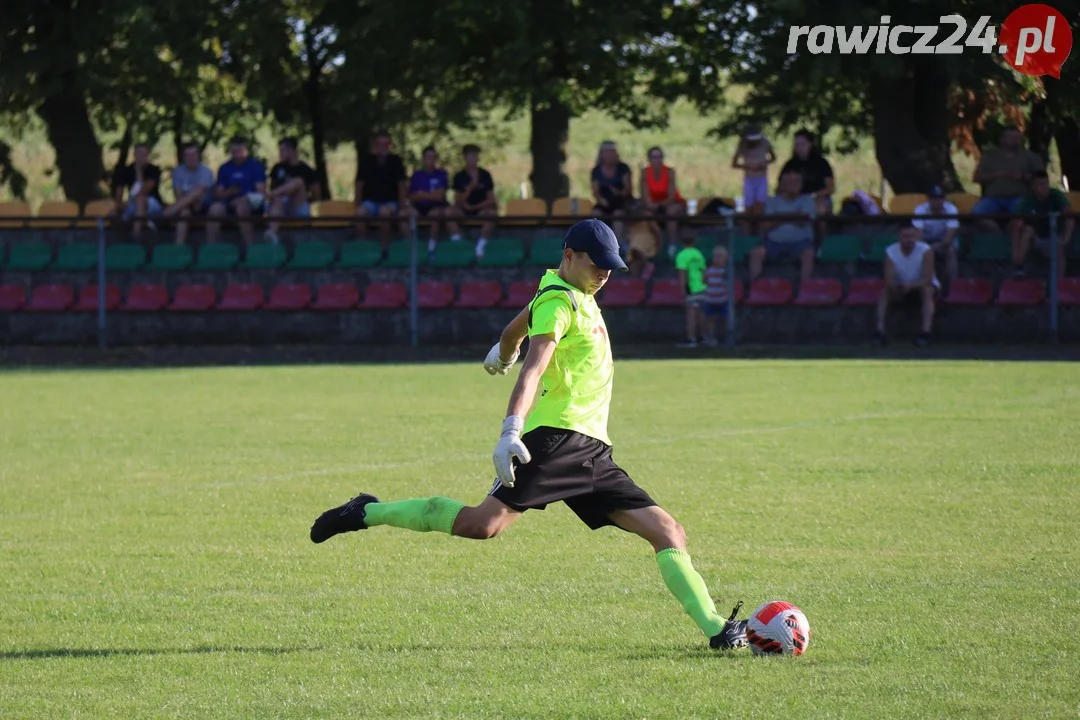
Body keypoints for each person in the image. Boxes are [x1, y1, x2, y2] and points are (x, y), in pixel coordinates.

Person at [309, 218, 750, 653]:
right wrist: (510, 430)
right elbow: (534, 367)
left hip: (594, 451)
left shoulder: (568, 292)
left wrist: (502, 350)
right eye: (597, 264)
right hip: (555, 440)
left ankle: (717, 629)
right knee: (482, 526)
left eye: (611, 266)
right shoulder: (559, 301)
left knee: (669, 531)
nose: (605, 274)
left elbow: (514, 328)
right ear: (569, 256)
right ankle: (367, 511)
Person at [876, 221, 939, 347]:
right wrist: (897, 286)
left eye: (911, 236)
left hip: (921, 286)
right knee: (884, 292)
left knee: (927, 291)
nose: (909, 240)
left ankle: (925, 332)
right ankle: (879, 331)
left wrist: (912, 286)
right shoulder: (890, 251)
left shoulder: (925, 250)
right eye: (905, 236)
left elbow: (927, 278)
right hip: (901, 286)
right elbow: (889, 278)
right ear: (899, 236)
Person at [971, 125, 1045, 232]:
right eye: (1010, 137)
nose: (1014, 141)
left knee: (1022, 215)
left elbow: (1041, 178)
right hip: (993, 198)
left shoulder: (1030, 157)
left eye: (1017, 138)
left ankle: (1010, 234)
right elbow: (976, 178)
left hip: (1019, 197)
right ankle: (997, 234)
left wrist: (1022, 176)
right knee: (977, 213)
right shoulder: (989, 157)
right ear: (1002, 139)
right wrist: (997, 174)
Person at [749, 168, 816, 282]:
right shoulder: (772, 201)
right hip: (774, 242)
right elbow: (767, 224)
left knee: (808, 253)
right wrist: (794, 215)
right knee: (756, 253)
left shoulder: (808, 200)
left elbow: (804, 221)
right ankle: (755, 288)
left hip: (800, 242)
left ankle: (805, 289)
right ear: (782, 184)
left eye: (797, 182)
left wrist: (780, 217)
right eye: (790, 182)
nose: (794, 185)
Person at [1009, 170, 1074, 277]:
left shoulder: (1056, 195)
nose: (1045, 187)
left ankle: (1059, 283)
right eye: (1040, 184)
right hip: (1037, 238)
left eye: (1046, 183)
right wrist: (1016, 250)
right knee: (1027, 230)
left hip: (1056, 236)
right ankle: (1019, 267)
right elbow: (1015, 225)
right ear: (1033, 187)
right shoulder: (1026, 201)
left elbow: (1069, 215)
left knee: (1059, 249)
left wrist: (1065, 238)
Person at [207, 137, 267, 245]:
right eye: (234, 152)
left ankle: (250, 246)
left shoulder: (255, 166)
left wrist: (243, 198)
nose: (237, 155)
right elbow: (218, 193)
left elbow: (261, 192)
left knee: (241, 208)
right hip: (229, 202)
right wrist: (229, 192)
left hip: (251, 203)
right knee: (214, 209)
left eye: (240, 151)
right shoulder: (224, 168)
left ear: (246, 150)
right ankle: (211, 246)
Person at [355, 130, 409, 249]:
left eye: (386, 144)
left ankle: (384, 246)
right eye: (380, 144)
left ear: (390, 146)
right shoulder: (367, 161)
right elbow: (359, 184)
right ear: (375, 145)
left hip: (390, 202)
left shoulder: (396, 161)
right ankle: (362, 245)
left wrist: (401, 207)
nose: (383, 147)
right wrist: (357, 204)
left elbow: (401, 185)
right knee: (359, 213)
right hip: (370, 202)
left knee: (384, 212)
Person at [265, 137, 319, 244]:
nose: (280, 153)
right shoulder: (277, 168)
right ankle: (272, 232)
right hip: (280, 205)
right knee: (278, 198)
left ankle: (268, 196)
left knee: (298, 182)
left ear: (292, 151)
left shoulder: (306, 170)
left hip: (298, 205)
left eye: (282, 150)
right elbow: (273, 186)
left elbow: (316, 194)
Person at [447, 144, 498, 258]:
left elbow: (491, 199)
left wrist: (475, 207)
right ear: (465, 157)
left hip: (481, 208)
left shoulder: (485, 175)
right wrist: (470, 188)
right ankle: (458, 241)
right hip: (463, 208)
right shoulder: (459, 176)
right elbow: (457, 199)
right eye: (471, 155)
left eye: (476, 155)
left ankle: (481, 245)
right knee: (449, 213)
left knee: (492, 214)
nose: (474, 158)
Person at [162, 142, 213, 245]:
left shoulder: (206, 171)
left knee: (197, 192)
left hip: (203, 206)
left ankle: (168, 212)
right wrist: (188, 200)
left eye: (193, 155)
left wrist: (189, 198)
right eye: (188, 155)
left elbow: (201, 194)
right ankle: (179, 245)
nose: (191, 158)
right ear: (184, 157)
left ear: (198, 156)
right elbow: (178, 194)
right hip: (185, 205)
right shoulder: (177, 172)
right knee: (184, 212)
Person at [111, 143, 164, 241]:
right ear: (134, 154)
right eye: (138, 153)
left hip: (152, 204)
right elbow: (119, 191)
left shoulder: (154, 170)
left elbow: (144, 190)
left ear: (148, 154)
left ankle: (136, 236)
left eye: (143, 154)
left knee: (140, 199)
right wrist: (118, 205)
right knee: (113, 213)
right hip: (133, 203)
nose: (141, 156)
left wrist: (139, 171)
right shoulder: (126, 170)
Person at [777, 129, 834, 216]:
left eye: (802, 144)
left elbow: (830, 188)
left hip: (817, 198)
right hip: (794, 198)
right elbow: (780, 187)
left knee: (820, 207)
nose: (799, 148)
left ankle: (821, 229)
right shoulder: (790, 165)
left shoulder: (822, 163)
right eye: (797, 145)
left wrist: (812, 196)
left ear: (810, 145)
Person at [639, 146, 685, 252]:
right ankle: (657, 240)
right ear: (649, 159)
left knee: (671, 211)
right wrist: (650, 203)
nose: (657, 160)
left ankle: (672, 244)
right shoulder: (645, 172)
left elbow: (671, 195)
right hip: (653, 203)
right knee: (646, 214)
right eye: (654, 157)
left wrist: (661, 204)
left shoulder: (669, 171)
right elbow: (644, 193)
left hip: (669, 202)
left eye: (659, 157)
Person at [912, 186, 959, 283]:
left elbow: (950, 236)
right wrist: (927, 248)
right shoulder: (920, 210)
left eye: (940, 198)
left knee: (951, 250)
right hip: (925, 241)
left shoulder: (951, 209)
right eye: (934, 198)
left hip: (944, 240)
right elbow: (918, 235)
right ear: (929, 199)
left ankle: (954, 284)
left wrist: (940, 244)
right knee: (921, 251)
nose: (937, 201)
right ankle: (927, 283)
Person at [408, 146, 451, 252]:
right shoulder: (417, 175)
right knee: (406, 213)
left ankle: (431, 246)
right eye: (428, 157)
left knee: (436, 214)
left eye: (433, 157)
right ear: (423, 159)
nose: (430, 160)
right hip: (419, 206)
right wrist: (430, 194)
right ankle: (412, 244)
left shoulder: (441, 174)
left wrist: (422, 194)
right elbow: (412, 196)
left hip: (436, 206)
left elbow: (440, 196)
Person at [591, 141, 633, 243]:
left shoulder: (623, 168)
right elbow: (595, 191)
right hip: (604, 202)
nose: (609, 154)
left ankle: (617, 244)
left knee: (618, 214)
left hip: (621, 201)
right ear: (602, 154)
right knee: (596, 213)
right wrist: (601, 200)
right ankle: (598, 243)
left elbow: (628, 189)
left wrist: (619, 193)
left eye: (611, 152)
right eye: (606, 152)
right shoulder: (596, 171)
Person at [731, 125, 775, 215]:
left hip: (762, 178)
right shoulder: (742, 145)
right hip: (749, 179)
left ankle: (759, 227)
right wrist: (747, 166)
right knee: (748, 207)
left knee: (760, 206)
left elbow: (773, 158)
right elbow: (734, 164)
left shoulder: (765, 142)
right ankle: (748, 226)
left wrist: (764, 164)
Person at [675, 235, 708, 348]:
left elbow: (682, 273)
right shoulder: (698, 254)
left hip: (691, 288)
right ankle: (704, 337)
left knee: (691, 315)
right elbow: (704, 272)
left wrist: (683, 289)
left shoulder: (682, 255)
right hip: (702, 288)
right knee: (701, 315)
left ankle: (691, 339)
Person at [702, 245, 729, 348]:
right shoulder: (709, 270)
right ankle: (710, 338)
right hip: (711, 299)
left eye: (720, 256)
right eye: (716, 256)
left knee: (726, 318)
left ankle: (728, 336)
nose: (718, 259)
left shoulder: (725, 271)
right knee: (710, 319)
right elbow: (704, 281)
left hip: (722, 299)